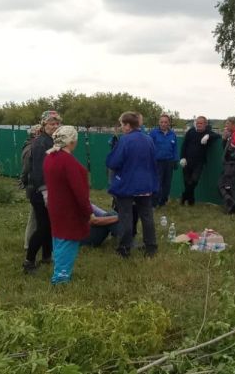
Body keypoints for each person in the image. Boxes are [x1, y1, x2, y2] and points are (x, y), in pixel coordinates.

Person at [42, 126, 93, 284]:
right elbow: (79, 190)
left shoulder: (51, 157)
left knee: (59, 238)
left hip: (56, 205)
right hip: (69, 207)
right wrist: (87, 211)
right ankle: (61, 278)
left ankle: (60, 270)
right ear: (71, 141)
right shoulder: (67, 161)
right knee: (68, 240)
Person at [106, 111, 159, 258]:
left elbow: (113, 162)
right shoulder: (148, 139)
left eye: (122, 124)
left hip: (127, 184)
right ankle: (151, 247)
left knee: (126, 217)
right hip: (146, 184)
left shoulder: (125, 140)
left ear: (128, 125)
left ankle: (124, 248)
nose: (122, 127)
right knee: (147, 216)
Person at [23, 110, 61, 273]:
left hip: (48, 189)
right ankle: (29, 261)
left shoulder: (51, 141)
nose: (55, 126)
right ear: (44, 124)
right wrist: (46, 192)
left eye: (57, 123)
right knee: (43, 226)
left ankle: (46, 256)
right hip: (39, 191)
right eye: (52, 123)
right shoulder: (40, 143)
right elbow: (39, 170)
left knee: (49, 225)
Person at [179, 116, 221, 206]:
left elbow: (218, 136)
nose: (199, 125)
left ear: (205, 124)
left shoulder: (207, 132)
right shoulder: (191, 131)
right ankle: (191, 200)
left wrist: (208, 136)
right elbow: (184, 145)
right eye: (197, 123)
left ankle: (184, 196)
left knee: (194, 180)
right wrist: (182, 157)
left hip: (199, 162)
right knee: (187, 182)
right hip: (187, 161)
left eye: (201, 123)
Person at [19, 124, 42, 250]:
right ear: (36, 134)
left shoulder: (33, 145)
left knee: (37, 216)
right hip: (34, 185)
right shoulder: (30, 147)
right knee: (34, 216)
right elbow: (27, 167)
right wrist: (23, 179)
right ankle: (28, 244)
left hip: (35, 184)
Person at [149, 113, 179, 207]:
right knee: (158, 182)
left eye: (165, 122)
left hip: (169, 162)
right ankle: (154, 202)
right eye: (161, 122)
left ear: (169, 123)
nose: (163, 124)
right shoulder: (153, 133)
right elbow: (149, 147)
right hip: (157, 162)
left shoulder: (172, 134)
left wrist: (175, 160)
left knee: (167, 183)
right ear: (159, 122)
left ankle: (163, 201)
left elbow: (175, 148)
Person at [219, 117, 235, 214]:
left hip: (232, 164)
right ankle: (231, 206)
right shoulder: (234, 134)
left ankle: (231, 205)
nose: (226, 126)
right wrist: (225, 139)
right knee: (228, 186)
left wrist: (231, 147)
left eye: (228, 124)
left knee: (225, 185)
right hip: (231, 164)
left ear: (234, 124)